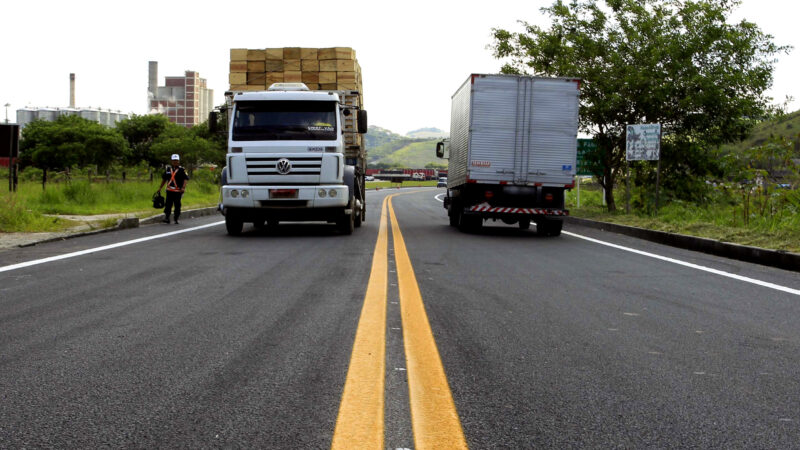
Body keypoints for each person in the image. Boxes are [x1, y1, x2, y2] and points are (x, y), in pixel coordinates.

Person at [157, 154, 189, 224]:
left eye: (176, 160)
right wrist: (160, 188)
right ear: (171, 161)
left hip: (178, 191)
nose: (175, 162)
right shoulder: (168, 169)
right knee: (168, 204)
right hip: (169, 190)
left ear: (178, 161)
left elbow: (185, 179)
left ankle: (176, 218)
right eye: (174, 160)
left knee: (177, 205)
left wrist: (183, 188)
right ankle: (167, 217)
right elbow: (164, 179)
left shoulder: (182, 170)